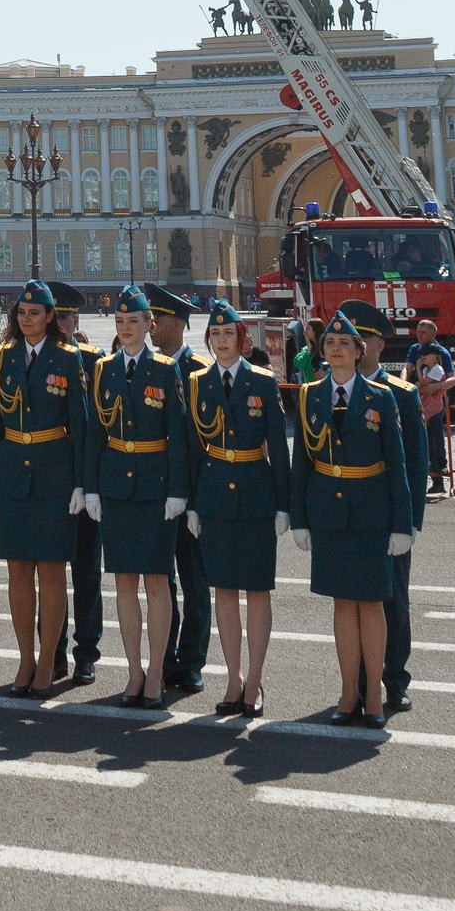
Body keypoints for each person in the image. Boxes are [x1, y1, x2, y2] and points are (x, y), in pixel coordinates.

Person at [288, 306, 414, 727]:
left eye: (345, 343)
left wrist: (403, 523)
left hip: (371, 512)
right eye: (330, 343)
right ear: (321, 351)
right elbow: (301, 462)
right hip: (329, 514)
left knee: (373, 605)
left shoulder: (382, 397)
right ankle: (347, 693)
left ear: (360, 351)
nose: (337, 349)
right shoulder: (310, 395)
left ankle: (375, 695)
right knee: (343, 605)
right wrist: (300, 518)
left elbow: (397, 464)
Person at [80, 283, 191, 707]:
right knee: (124, 581)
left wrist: (178, 491)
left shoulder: (166, 369)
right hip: (116, 487)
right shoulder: (104, 369)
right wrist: (92, 488)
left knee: (158, 581)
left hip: (154, 485)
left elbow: (177, 435)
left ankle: (158, 671)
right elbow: (94, 434)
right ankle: (133, 672)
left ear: (149, 325)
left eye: (134, 322)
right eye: (120, 322)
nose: (126, 329)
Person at [185, 299, 291, 718]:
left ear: (242, 340)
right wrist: (192, 502)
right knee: (224, 591)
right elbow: (195, 447)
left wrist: (285, 504)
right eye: (215, 334)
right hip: (214, 493)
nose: (221, 340)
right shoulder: (198, 382)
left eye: (228, 334)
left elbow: (279, 449)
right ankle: (232, 679)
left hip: (255, 490)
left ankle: (256, 678)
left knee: (257, 589)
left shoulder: (262, 382)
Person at [0, 279, 84, 698]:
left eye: (35, 314)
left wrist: (81, 482)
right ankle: (24, 658)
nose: (27, 321)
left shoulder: (68, 358)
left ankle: (47, 660)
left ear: (50, 317)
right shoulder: (3, 357)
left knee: (52, 569)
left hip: (54, 471)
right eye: (21, 314)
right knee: (19, 570)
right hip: (13, 472)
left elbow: (80, 425)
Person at [351, 303, 429, 714]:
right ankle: (358, 680)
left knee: (393, 600)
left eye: (365, 340)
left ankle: (394, 680)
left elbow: (417, 463)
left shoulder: (401, 394)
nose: (358, 348)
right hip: (348, 516)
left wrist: (410, 521)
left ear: (381, 344)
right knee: (352, 600)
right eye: (351, 339)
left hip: (389, 515)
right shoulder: (331, 391)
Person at [148, 284, 210, 697]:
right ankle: (163, 656)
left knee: (195, 580)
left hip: (192, 491)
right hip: (154, 490)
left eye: (158, 319)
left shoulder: (199, 371)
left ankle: (190, 662)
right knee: (159, 579)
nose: (151, 326)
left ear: (177, 323)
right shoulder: (148, 367)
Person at [47, 281, 103, 687]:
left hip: (84, 477)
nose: (63, 323)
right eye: (58, 316)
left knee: (86, 571)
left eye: (68, 316)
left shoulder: (92, 360)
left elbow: (98, 427)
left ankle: (86, 652)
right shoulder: (35, 358)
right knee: (47, 570)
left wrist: (91, 483)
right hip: (48, 479)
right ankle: (52, 650)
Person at [406, 321, 455, 495]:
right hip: (419, 400)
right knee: (417, 440)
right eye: (418, 331)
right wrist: (403, 384)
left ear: (433, 334)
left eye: (424, 332)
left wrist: (436, 387)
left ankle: (438, 476)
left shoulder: (441, 353)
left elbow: (452, 379)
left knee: (435, 440)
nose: (420, 335)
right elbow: (407, 369)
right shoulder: (414, 349)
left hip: (434, 404)